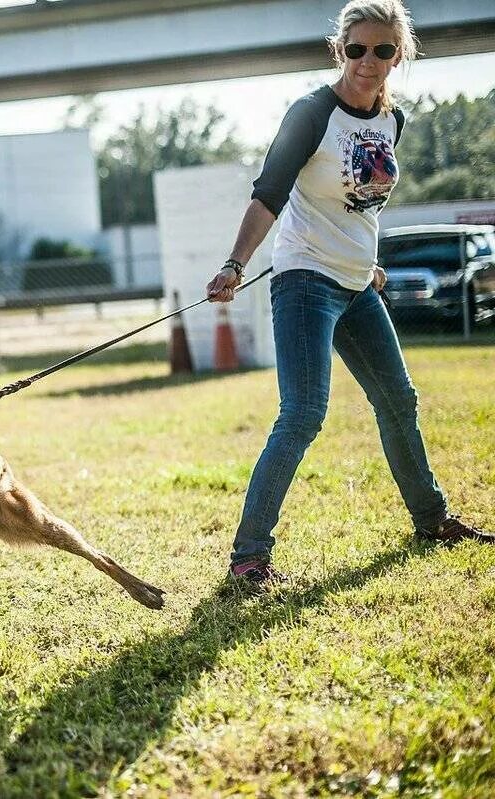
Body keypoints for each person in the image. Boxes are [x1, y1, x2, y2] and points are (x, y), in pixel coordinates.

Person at [205, 0, 492, 591]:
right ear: (341, 50)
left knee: (398, 400)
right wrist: (236, 262)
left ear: (399, 54)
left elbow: (361, 205)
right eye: (357, 48)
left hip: (359, 283)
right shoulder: (311, 113)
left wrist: (372, 262)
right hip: (306, 279)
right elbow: (269, 195)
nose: (369, 60)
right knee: (304, 414)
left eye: (383, 50)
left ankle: (432, 520)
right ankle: (249, 558)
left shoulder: (394, 120)